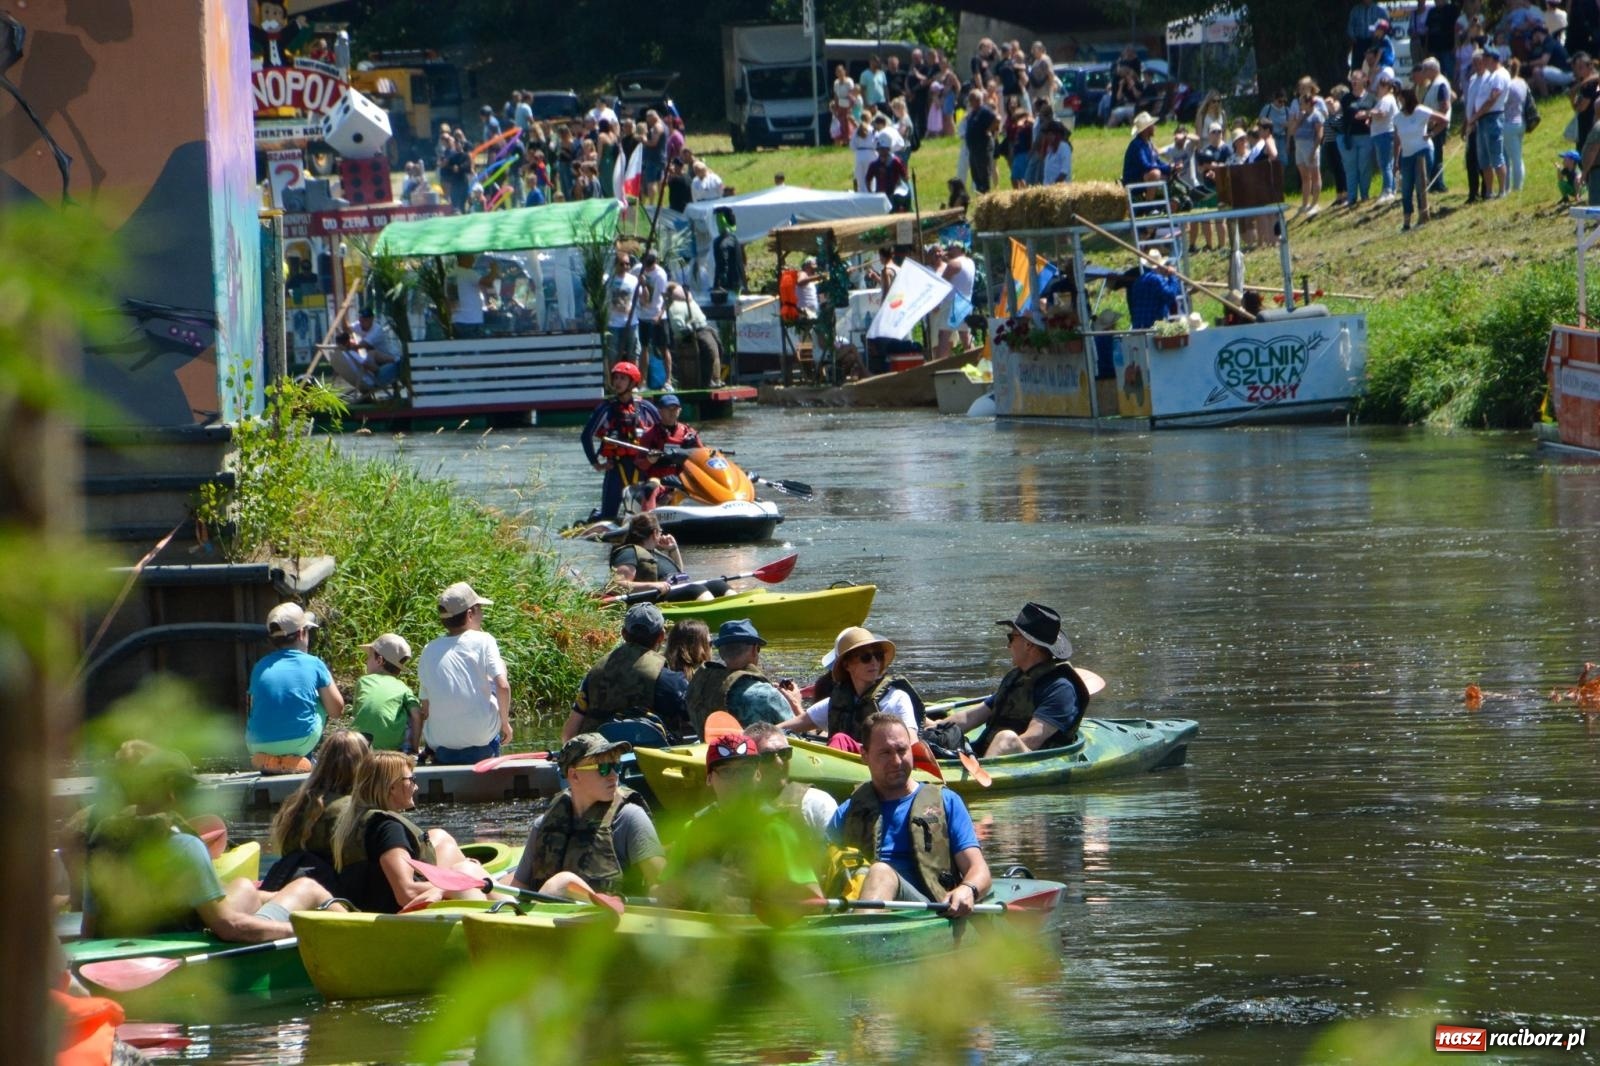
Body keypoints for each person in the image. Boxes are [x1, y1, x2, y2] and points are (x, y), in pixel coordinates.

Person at [83, 746, 334, 940]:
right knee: (308, 888)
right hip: (192, 943)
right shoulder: (182, 843)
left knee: (244, 887)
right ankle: (356, 936)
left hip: (122, 950)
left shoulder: (102, 840)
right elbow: (229, 928)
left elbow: (89, 929)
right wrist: (302, 933)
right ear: (172, 792)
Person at [826, 714, 991, 918]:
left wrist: (968, 889)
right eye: (885, 753)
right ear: (865, 755)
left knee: (881, 873)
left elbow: (979, 869)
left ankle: (861, 941)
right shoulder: (847, 811)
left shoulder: (947, 801)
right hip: (858, 905)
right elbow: (822, 870)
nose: (896, 761)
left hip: (927, 909)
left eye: (902, 750)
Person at [654, 733, 825, 912]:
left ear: (757, 774)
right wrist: (665, 894)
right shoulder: (694, 829)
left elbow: (814, 900)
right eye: (726, 771)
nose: (736, 780)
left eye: (745, 770)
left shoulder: (776, 829)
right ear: (709, 778)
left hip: (756, 936)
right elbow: (660, 890)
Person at [510, 733, 667, 899]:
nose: (614, 775)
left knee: (563, 882)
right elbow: (519, 888)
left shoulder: (630, 818)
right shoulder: (543, 824)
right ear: (574, 775)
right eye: (603, 768)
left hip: (611, 919)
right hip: (548, 918)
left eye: (616, 766)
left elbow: (662, 886)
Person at [331, 751, 488, 912]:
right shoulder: (388, 828)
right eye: (411, 780)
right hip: (396, 920)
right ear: (392, 787)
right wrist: (455, 881)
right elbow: (406, 892)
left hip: (366, 911)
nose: (416, 786)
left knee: (441, 838)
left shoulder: (353, 823)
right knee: (468, 870)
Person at [936, 602, 1093, 757]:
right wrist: (934, 730)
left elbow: (1032, 740)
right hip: (988, 755)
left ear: (1028, 645)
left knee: (1006, 739)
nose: (1008, 646)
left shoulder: (1061, 689)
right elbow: (970, 717)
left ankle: (983, 778)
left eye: (1011, 637)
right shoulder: (1016, 677)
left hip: (1027, 761)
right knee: (936, 730)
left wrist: (997, 749)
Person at [777, 627, 924, 752]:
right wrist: (759, 734)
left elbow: (911, 745)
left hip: (882, 767)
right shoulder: (835, 702)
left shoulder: (897, 698)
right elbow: (788, 726)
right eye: (866, 657)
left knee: (840, 739)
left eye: (878, 656)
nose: (874, 662)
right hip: (845, 765)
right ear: (847, 665)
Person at [261, 729, 370, 892]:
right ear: (362, 765)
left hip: (290, 879)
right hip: (329, 893)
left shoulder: (296, 803)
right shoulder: (354, 810)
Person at [416, 582, 512, 765]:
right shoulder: (484, 640)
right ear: (470, 614)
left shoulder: (429, 649)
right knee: (500, 669)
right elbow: (503, 686)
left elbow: (425, 706)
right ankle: (490, 757)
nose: (482, 614)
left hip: (441, 743)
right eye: (480, 609)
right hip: (481, 739)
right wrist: (505, 724)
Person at [565, 603, 689, 738]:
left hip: (598, 753)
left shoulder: (595, 672)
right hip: (647, 754)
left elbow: (569, 734)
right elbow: (697, 719)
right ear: (661, 636)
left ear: (623, 634)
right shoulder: (669, 679)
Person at [246, 602, 344, 773]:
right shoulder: (314, 664)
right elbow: (337, 710)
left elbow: (252, 708)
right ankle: (301, 759)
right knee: (320, 701)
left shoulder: (259, 666)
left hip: (257, 744)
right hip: (300, 742)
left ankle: (272, 760)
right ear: (301, 633)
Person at [685, 619, 804, 732]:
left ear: (721, 653)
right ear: (754, 649)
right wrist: (796, 704)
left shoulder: (699, 685)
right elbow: (799, 737)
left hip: (711, 750)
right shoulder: (767, 696)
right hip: (754, 752)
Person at [580, 360, 660, 521]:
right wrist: (596, 464)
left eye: (623, 379)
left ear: (632, 382)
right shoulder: (606, 408)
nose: (617, 382)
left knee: (644, 516)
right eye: (616, 378)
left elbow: (661, 433)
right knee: (608, 516)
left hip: (641, 468)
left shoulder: (645, 408)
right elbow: (586, 436)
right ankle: (595, 519)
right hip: (616, 468)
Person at [743, 722, 838, 836]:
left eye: (784, 753)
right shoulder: (734, 806)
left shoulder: (816, 802)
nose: (778, 762)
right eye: (767, 757)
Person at [350, 633, 421, 753]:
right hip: (391, 747)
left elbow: (358, 712)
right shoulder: (403, 688)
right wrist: (415, 746)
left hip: (359, 745)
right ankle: (407, 748)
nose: (366, 661)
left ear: (379, 660)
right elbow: (417, 715)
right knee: (409, 709)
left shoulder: (363, 681)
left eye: (368, 657)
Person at [1394, 86, 1445, 229]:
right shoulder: (1397, 118)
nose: (1400, 102)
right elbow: (1397, 141)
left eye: (1401, 99)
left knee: (1420, 183)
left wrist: (1432, 133)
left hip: (1423, 150)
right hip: (1406, 155)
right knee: (1406, 188)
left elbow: (1443, 120)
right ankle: (1406, 222)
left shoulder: (1421, 111)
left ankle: (1423, 217)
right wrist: (1396, 161)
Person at [330, 308, 404, 398]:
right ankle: (394, 392)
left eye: (365, 320)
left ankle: (397, 392)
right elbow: (347, 328)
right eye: (361, 320)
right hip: (376, 361)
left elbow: (362, 345)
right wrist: (343, 312)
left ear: (371, 319)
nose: (361, 323)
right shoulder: (359, 326)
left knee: (388, 361)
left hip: (388, 354)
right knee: (379, 356)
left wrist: (350, 345)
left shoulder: (376, 330)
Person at [1469, 45, 1511, 199]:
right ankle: (1489, 191)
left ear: (1492, 59)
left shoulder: (1500, 75)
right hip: (1484, 119)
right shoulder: (1491, 75)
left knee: (1496, 156)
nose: (1483, 61)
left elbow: (1493, 98)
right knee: (1484, 159)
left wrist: (1476, 115)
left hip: (1493, 117)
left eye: (1486, 58)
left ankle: (1502, 190)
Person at [1288, 77, 1326, 215]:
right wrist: (1300, 119)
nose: (1300, 106)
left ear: (1309, 103)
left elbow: (1319, 135)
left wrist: (1313, 151)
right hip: (1299, 146)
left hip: (1310, 146)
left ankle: (1315, 204)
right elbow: (1292, 131)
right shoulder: (1301, 115)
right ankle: (1305, 204)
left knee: (1315, 175)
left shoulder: (1316, 116)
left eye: (1302, 103)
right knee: (1304, 176)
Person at [636, 251, 672, 389]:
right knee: (644, 348)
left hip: (658, 316)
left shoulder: (660, 274)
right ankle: (643, 381)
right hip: (643, 316)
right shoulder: (639, 270)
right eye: (646, 264)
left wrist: (659, 314)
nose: (648, 267)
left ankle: (668, 380)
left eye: (650, 264)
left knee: (663, 347)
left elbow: (666, 298)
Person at [1127, 250, 1186, 330]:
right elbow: (1170, 295)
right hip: (1153, 326)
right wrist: (1172, 276)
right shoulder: (1157, 279)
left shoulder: (1138, 280)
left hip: (1137, 326)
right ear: (1160, 266)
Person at [964, 89, 1000, 194]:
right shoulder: (973, 112)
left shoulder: (984, 111)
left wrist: (989, 130)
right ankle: (981, 194)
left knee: (984, 175)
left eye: (971, 99)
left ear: (977, 100)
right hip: (973, 150)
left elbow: (997, 119)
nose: (970, 102)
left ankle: (986, 196)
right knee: (976, 176)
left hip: (983, 148)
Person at [1123, 112, 1171, 187]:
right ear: (1146, 129)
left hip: (1143, 177)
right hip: (1134, 180)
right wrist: (1166, 168)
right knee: (1155, 174)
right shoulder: (1137, 145)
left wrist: (1170, 167)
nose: (1155, 127)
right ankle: (1149, 199)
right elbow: (1145, 166)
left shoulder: (1149, 143)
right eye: (1152, 125)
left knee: (1168, 174)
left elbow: (1157, 161)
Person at [711, 207, 745, 298]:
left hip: (729, 285)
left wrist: (719, 284)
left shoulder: (721, 242)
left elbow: (722, 264)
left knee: (732, 306)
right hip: (738, 282)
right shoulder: (733, 239)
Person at [1039, 120, 1072, 184]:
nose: (1047, 137)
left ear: (1057, 135)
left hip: (1062, 189)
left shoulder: (1064, 148)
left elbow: (1064, 172)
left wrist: (1054, 186)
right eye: (1046, 135)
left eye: (1050, 134)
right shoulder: (1049, 150)